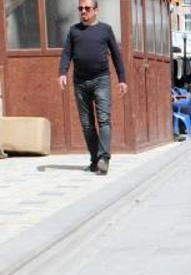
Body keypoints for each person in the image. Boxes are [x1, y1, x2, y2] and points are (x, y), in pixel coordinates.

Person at [58, 0, 127, 175]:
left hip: (101, 79)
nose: (83, 11)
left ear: (96, 10)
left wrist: (122, 79)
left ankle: (104, 158)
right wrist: (62, 72)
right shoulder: (74, 31)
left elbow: (117, 56)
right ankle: (95, 160)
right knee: (87, 124)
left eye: (87, 8)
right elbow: (67, 53)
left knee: (103, 119)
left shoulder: (105, 30)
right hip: (80, 82)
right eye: (80, 8)